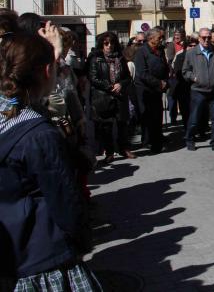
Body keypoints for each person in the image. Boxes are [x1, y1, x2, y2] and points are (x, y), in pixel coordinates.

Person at [0, 33, 102, 291]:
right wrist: (81, 241)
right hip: (43, 257)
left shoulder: (10, 119)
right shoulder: (39, 135)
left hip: (11, 252)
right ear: (47, 71)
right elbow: (65, 201)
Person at [89, 32, 135, 162]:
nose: (109, 46)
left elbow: (127, 77)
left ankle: (124, 148)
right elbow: (93, 78)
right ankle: (109, 152)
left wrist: (121, 84)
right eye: (106, 43)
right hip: (103, 96)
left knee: (122, 124)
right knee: (106, 126)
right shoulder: (96, 58)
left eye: (112, 43)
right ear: (101, 44)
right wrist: (109, 87)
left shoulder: (120, 58)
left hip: (119, 95)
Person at [183, 27, 214, 153]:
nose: (207, 40)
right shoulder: (191, 53)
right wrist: (195, 78)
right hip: (198, 90)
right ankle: (190, 139)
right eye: (204, 37)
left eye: (209, 37)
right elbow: (185, 71)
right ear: (199, 38)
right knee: (195, 117)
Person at [133, 28, 169, 153]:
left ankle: (157, 138)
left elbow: (164, 66)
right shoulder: (141, 52)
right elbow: (142, 73)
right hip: (145, 89)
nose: (161, 40)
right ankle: (148, 141)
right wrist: (158, 82)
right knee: (147, 116)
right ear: (151, 38)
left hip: (157, 89)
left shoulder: (159, 50)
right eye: (159, 38)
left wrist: (165, 80)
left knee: (158, 115)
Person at [165, 29, 186, 125]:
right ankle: (173, 117)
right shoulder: (171, 45)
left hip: (184, 75)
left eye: (179, 35)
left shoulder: (185, 45)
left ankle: (184, 115)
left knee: (183, 97)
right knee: (172, 97)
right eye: (175, 35)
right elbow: (170, 59)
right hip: (173, 75)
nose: (177, 37)